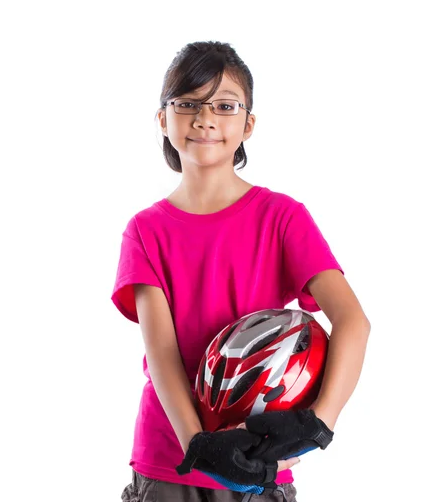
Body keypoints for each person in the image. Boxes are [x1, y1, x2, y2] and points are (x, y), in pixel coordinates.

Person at [111, 41, 371, 502]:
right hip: (169, 462)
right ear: (162, 120)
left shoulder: (283, 217)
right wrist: (199, 443)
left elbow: (353, 322)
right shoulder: (144, 230)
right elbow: (164, 356)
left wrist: (317, 426)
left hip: (260, 457)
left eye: (224, 106)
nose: (205, 118)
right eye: (187, 103)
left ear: (248, 124)